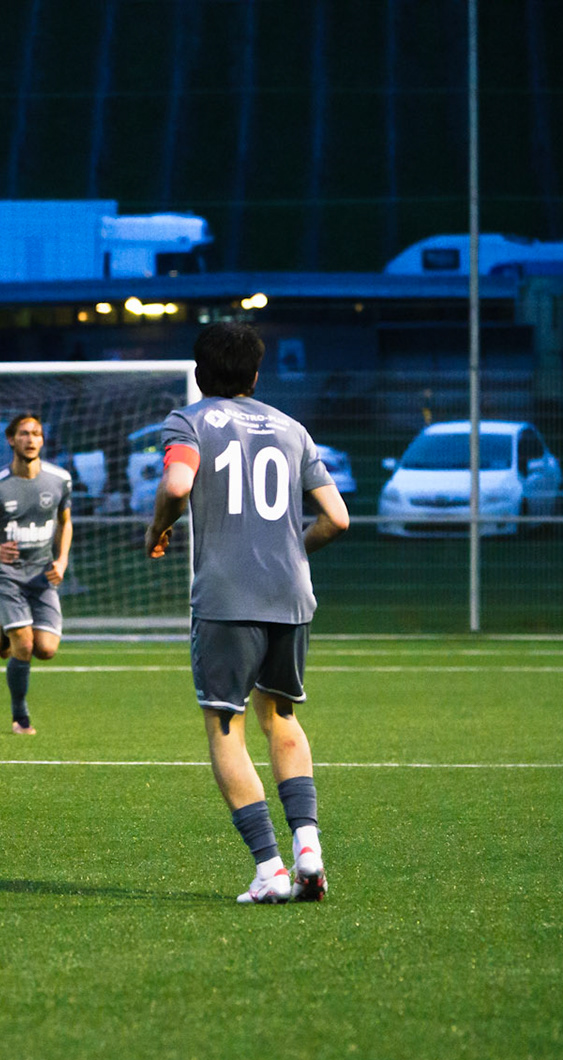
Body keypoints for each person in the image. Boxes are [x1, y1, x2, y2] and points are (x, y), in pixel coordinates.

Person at [145, 322, 349, 903]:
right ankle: (308, 846)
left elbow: (179, 483)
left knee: (225, 726)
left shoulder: (190, 421)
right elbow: (338, 519)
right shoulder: (291, 428)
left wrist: (157, 528)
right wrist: (287, 551)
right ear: (256, 375)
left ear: (198, 373)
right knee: (281, 719)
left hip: (228, 598)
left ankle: (270, 871)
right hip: (291, 596)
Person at [0, 414, 72, 734]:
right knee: (24, 647)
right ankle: (20, 716)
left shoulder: (59, 480)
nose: (31, 439)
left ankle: (7, 627)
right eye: (24, 434)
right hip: (7, 574)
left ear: (43, 440)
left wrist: (62, 561)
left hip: (42, 574)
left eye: (37, 434)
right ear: (11, 439)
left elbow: (65, 522)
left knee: (46, 650)